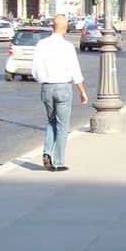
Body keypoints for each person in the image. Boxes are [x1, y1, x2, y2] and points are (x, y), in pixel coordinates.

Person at [31, 13, 89, 172]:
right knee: (63, 126)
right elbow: (75, 72)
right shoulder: (68, 47)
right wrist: (82, 92)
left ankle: (46, 152)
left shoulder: (41, 44)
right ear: (65, 29)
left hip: (47, 87)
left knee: (51, 121)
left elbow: (35, 71)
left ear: (52, 27)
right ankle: (58, 161)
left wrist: (44, 81)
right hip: (63, 87)